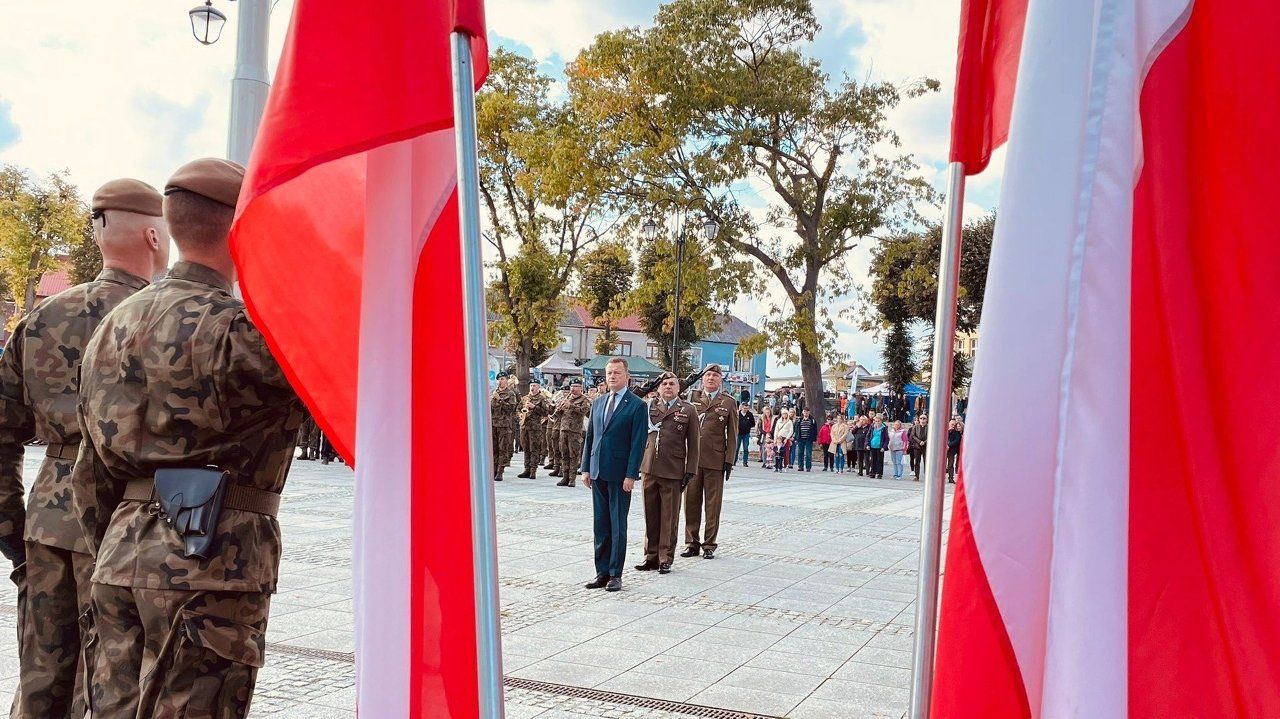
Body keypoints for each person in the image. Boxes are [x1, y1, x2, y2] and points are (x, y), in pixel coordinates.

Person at [70, 158, 303, 718]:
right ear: (243, 227)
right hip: (210, 566)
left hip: (119, 556)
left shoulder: (112, 326)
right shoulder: (242, 333)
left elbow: (90, 470)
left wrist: (118, 542)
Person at [0, 177, 169, 718]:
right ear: (152, 236)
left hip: (48, 524)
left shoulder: (39, 319)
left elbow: (1, 433)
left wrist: (11, 530)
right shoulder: (165, 319)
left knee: (41, 681)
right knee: (114, 690)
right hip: (129, 525)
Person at [580, 358, 648, 591]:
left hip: (620, 475)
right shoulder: (598, 403)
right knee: (600, 524)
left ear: (626, 375)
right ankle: (601, 572)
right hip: (598, 471)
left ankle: (615, 574)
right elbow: (590, 438)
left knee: (618, 524)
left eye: (617, 373)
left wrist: (631, 475)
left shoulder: (637, 405)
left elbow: (638, 443)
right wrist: (585, 467)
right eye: (609, 373)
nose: (612, 377)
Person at [635, 372, 699, 575]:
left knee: (669, 517)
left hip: (673, 469)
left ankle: (665, 557)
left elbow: (694, 444)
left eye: (672, 384)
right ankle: (650, 556)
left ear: (679, 388)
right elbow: (630, 401)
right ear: (659, 387)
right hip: (649, 467)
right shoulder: (648, 406)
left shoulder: (688, 410)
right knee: (651, 514)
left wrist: (690, 470)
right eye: (664, 384)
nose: (668, 387)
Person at [682, 364, 738, 560]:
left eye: (715, 375)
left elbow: (732, 435)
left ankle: (709, 544)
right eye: (708, 375)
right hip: (692, 460)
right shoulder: (692, 398)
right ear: (702, 379)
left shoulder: (728, 402)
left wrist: (729, 460)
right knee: (690, 503)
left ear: (720, 380)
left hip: (715, 460)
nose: (711, 378)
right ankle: (691, 543)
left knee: (713, 505)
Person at [554, 378, 591, 487]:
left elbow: (584, 411)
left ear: (580, 388)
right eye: (572, 386)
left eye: (575, 386)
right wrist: (559, 408)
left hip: (575, 431)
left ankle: (572, 479)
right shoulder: (567, 398)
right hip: (563, 429)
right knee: (564, 454)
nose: (573, 389)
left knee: (573, 455)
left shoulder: (584, 400)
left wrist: (571, 406)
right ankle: (565, 477)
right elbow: (558, 416)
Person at [517, 379, 553, 479]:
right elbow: (518, 409)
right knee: (526, 448)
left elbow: (546, 412)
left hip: (535, 428)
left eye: (535, 386)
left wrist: (534, 407)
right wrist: (520, 414)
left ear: (538, 387)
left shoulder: (542, 398)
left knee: (534, 449)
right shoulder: (525, 398)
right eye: (531, 385)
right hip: (524, 426)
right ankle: (526, 469)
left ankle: (533, 470)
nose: (532, 388)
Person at [490, 372, 518, 481]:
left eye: (502, 379)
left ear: (506, 380)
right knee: (494, 449)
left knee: (502, 449)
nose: (500, 381)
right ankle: (493, 470)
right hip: (493, 425)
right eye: (498, 379)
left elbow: (510, 409)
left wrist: (499, 400)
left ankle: (500, 471)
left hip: (504, 425)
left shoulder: (510, 394)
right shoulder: (494, 393)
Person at [866, 414, 889, 479]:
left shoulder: (884, 428)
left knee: (879, 460)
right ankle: (873, 473)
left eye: (878, 421)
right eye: (876, 421)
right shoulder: (872, 427)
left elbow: (886, 439)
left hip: (880, 447)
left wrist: (884, 447)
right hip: (872, 446)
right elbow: (868, 436)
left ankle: (879, 473)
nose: (877, 422)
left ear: (881, 421)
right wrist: (867, 444)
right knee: (873, 460)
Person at [794, 408, 817, 472]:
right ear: (802, 412)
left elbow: (815, 430)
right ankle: (800, 466)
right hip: (800, 439)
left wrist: (814, 438)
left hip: (809, 439)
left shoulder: (812, 420)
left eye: (807, 412)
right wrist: (796, 438)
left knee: (808, 453)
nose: (805, 413)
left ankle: (808, 467)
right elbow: (796, 429)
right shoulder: (799, 420)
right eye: (804, 411)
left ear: (809, 412)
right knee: (800, 453)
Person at [908, 414, 928, 481]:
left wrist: (924, 442)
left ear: (927, 419)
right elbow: (913, 436)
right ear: (919, 419)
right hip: (917, 447)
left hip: (926, 447)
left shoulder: (929, 427)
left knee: (926, 462)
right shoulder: (915, 427)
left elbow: (931, 436)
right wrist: (919, 442)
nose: (922, 420)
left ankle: (927, 476)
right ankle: (916, 476)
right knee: (917, 462)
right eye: (921, 418)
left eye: (924, 418)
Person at [736, 402, 755, 467]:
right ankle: (734, 461)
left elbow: (753, 423)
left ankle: (745, 462)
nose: (745, 409)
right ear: (741, 407)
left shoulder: (750, 414)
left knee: (746, 448)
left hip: (746, 434)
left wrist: (748, 426)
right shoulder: (738, 414)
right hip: (738, 433)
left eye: (746, 408)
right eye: (744, 408)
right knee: (736, 448)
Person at [947, 418, 964, 483]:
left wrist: (949, 445)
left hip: (951, 450)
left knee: (950, 465)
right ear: (949, 424)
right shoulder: (945, 430)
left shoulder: (956, 432)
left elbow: (957, 440)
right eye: (952, 424)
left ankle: (951, 479)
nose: (953, 426)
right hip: (943, 450)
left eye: (954, 425)